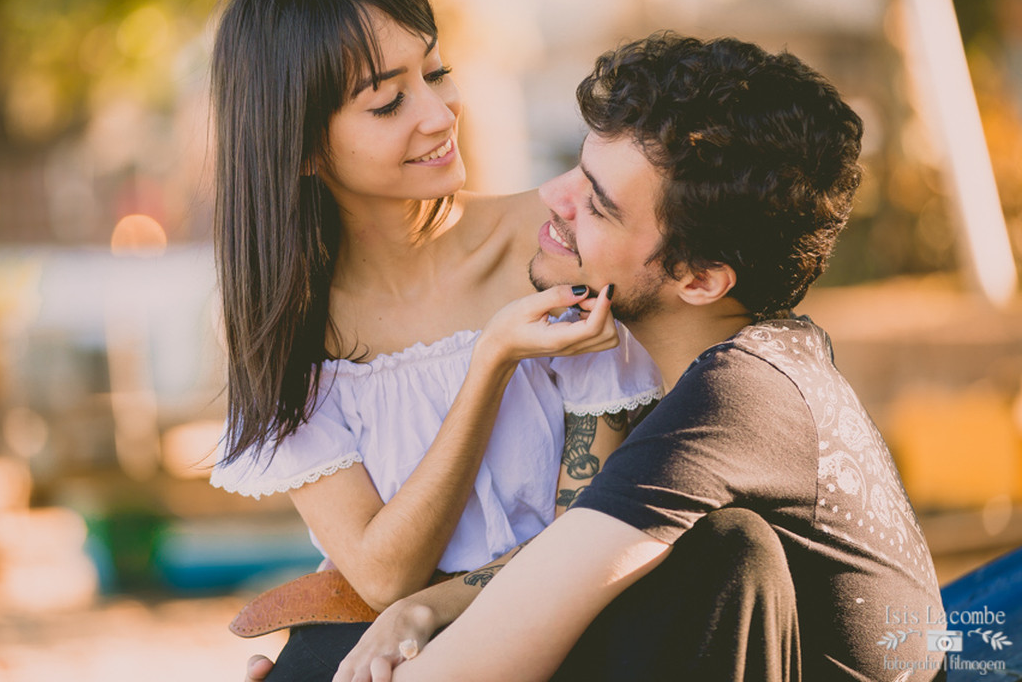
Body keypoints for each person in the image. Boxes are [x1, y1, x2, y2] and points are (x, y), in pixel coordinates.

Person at [319, 34, 947, 681]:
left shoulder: (731, 406)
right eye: (574, 167)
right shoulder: (776, 362)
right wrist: (411, 614)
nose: (553, 197)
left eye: (595, 203)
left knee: (724, 551)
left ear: (699, 279)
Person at [209, 0, 661, 680]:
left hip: (566, 632)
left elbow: (584, 533)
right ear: (299, 150)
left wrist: (427, 612)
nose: (438, 113)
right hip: (388, 644)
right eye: (387, 103)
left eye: (437, 73)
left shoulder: (554, 245)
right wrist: (490, 364)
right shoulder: (284, 327)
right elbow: (382, 573)